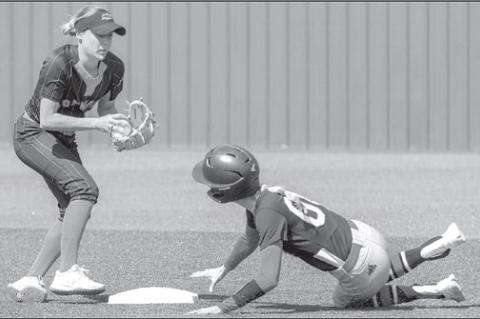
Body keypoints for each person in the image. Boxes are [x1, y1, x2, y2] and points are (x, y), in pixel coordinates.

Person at [188, 145, 467, 315]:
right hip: (365, 235)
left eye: (212, 184)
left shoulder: (266, 214)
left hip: (359, 267)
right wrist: (225, 268)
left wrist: (224, 307)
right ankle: (439, 243)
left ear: (225, 192)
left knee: (346, 300)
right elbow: (250, 238)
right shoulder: (267, 196)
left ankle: (434, 290)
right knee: (376, 270)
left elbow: (268, 279)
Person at [7, 6, 130, 302]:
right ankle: (67, 271)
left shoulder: (114, 67)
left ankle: (29, 279)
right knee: (84, 190)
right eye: (98, 35)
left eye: (110, 35)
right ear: (79, 35)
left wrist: (121, 128)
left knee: (73, 207)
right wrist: (98, 124)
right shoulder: (59, 62)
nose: (105, 41)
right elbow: (47, 119)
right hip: (32, 133)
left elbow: (106, 111)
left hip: (62, 138)